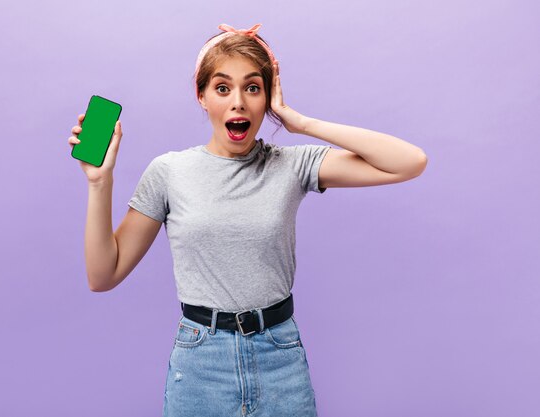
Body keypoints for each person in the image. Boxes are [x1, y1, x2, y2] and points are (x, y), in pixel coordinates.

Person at [68, 23, 428, 417]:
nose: (238, 102)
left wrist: (298, 121)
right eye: (222, 88)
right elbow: (102, 275)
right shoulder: (169, 171)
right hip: (201, 361)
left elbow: (409, 162)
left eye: (252, 87)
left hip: (279, 357)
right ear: (201, 95)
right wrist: (100, 182)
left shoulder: (290, 165)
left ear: (267, 97)